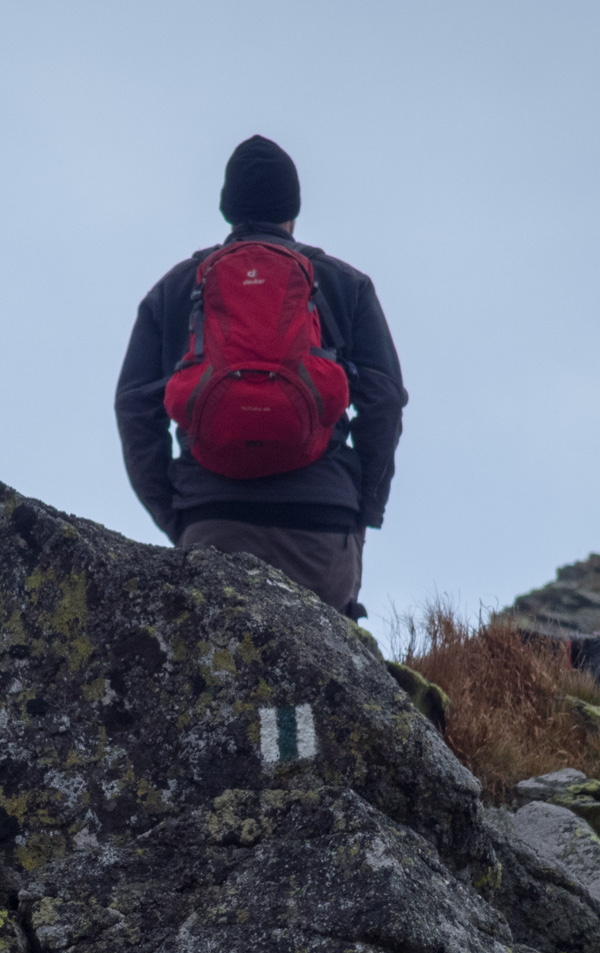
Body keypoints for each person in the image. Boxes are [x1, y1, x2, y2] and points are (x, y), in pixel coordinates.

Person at [114, 135, 407, 618]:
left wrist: (176, 512)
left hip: (213, 524)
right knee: (320, 683)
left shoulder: (176, 289)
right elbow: (384, 400)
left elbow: (134, 407)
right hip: (319, 530)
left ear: (228, 209)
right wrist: (361, 509)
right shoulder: (342, 283)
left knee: (212, 685)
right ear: (292, 209)